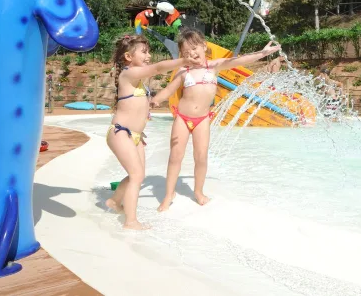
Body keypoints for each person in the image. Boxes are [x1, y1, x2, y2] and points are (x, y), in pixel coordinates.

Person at [151, 28, 280, 210]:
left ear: (204, 46)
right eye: (186, 52)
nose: (191, 53)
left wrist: (262, 53)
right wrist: (155, 100)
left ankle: (198, 191)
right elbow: (168, 91)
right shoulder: (183, 72)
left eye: (194, 48)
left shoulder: (214, 66)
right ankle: (168, 194)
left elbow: (237, 60)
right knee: (175, 157)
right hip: (182, 118)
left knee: (201, 157)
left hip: (202, 120)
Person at [105, 34, 201, 230]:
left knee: (137, 175)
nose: (148, 55)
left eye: (148, 52)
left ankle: (114, 201)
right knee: (137, 175)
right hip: (120, 132)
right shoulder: (128, 74)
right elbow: (157, 68)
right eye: (144, 52)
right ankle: (131, 221)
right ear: (128, 57)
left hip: (136, 136)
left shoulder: (138, 80)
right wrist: (183, 60)